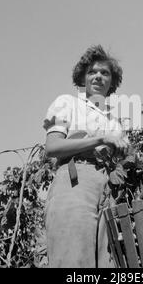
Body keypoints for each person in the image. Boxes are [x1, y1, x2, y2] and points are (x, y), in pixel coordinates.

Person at [43, 45, 129, 268]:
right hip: (74, 183)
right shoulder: (66, 103)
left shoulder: (115, 122)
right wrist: (100, 139)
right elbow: (52, 147)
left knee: (105, 264)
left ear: (113, 81)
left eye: (105, 73)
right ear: (82, 77)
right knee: (73, 260)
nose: (98, 76)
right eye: (92, 72)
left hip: (106, 191)